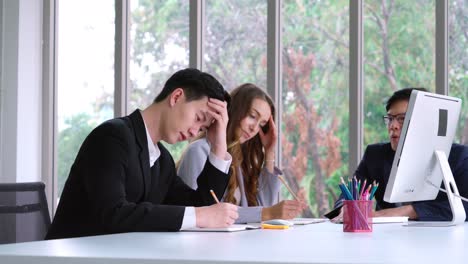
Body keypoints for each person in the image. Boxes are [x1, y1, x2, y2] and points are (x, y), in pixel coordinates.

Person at [46, 68, 239, 240]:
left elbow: (200, 206)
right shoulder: (112, 137)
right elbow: (114, 213)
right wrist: (200, 215)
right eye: (198, 118)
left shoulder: (162, 160)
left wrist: (218, 146)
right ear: (176, 96)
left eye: (202, 129)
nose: (194, 132)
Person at [332, 87, 468, 221]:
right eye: (390, 119)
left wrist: (408, 211)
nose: (393, 126)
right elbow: (348, 196)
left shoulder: (459, 157)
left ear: (427, 123)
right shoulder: (375, 155)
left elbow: (465, 205)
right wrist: (345, 208)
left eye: (402, 119)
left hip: (440, 239)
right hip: (387, 238)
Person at [177, 83, 304, 223]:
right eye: (252, 116)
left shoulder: (239, 160)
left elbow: (264, 207)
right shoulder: (198, 151)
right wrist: (267, 213)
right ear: (235, 110)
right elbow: (200, 214)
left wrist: (269, 152)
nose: (254, 128)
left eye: (262, 124)